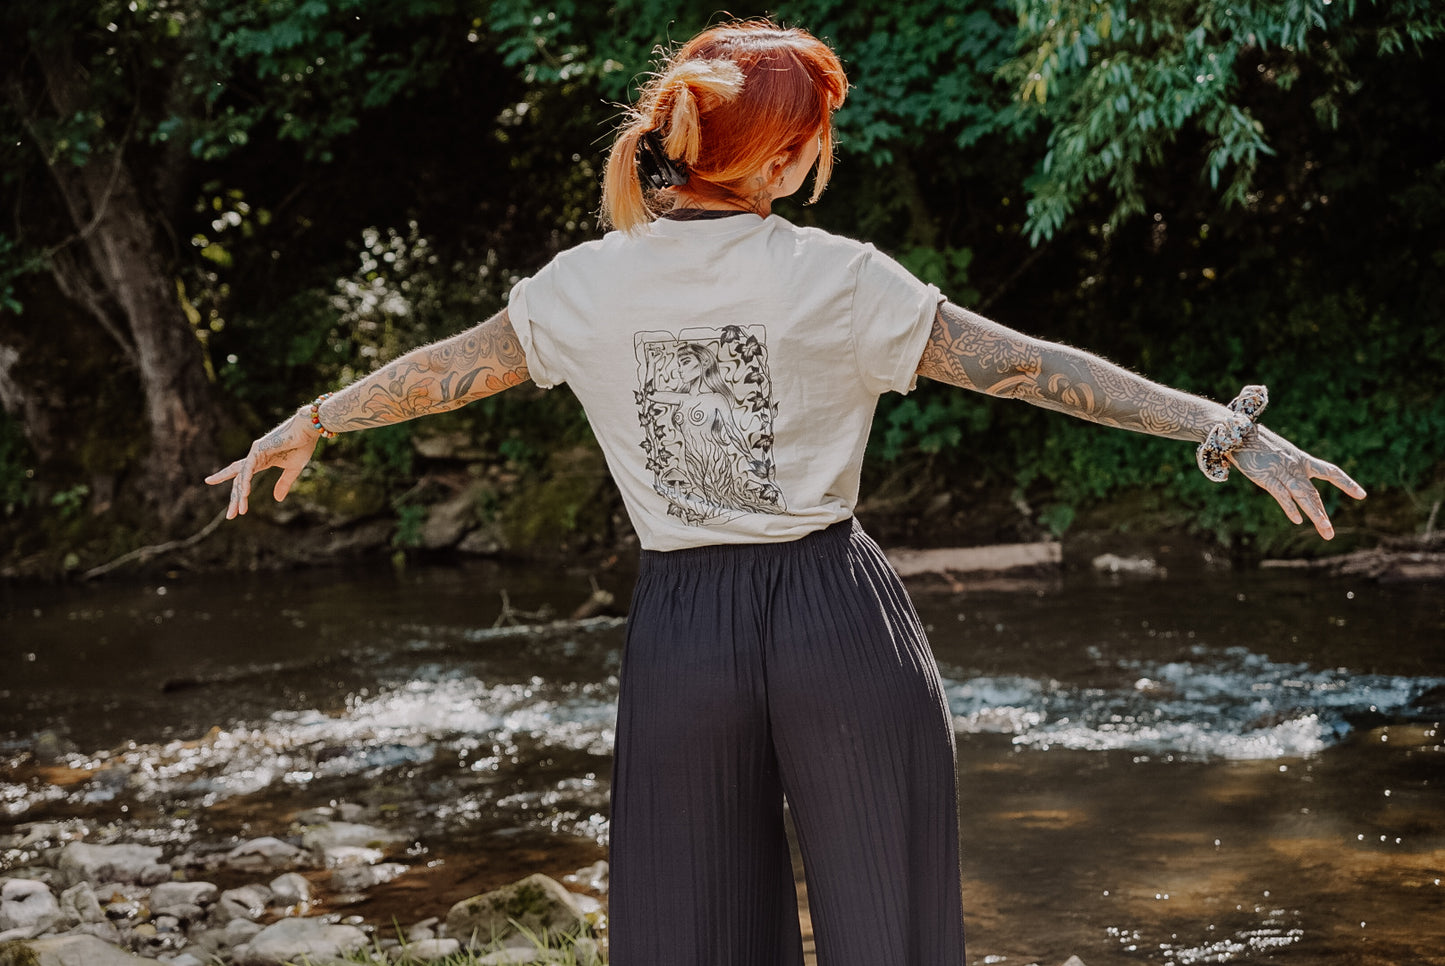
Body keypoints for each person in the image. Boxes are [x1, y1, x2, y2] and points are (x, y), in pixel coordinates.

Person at [206, 19, 1366, 966]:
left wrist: (310, 421)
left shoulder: (578, 289)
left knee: (686, 937)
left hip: (680, 631)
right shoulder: (837, 280)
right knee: (889, 925)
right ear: (771, 162)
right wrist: (1222, 430)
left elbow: (441, 375)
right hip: (834, 613)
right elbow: (1034, 371)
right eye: (813, 140)